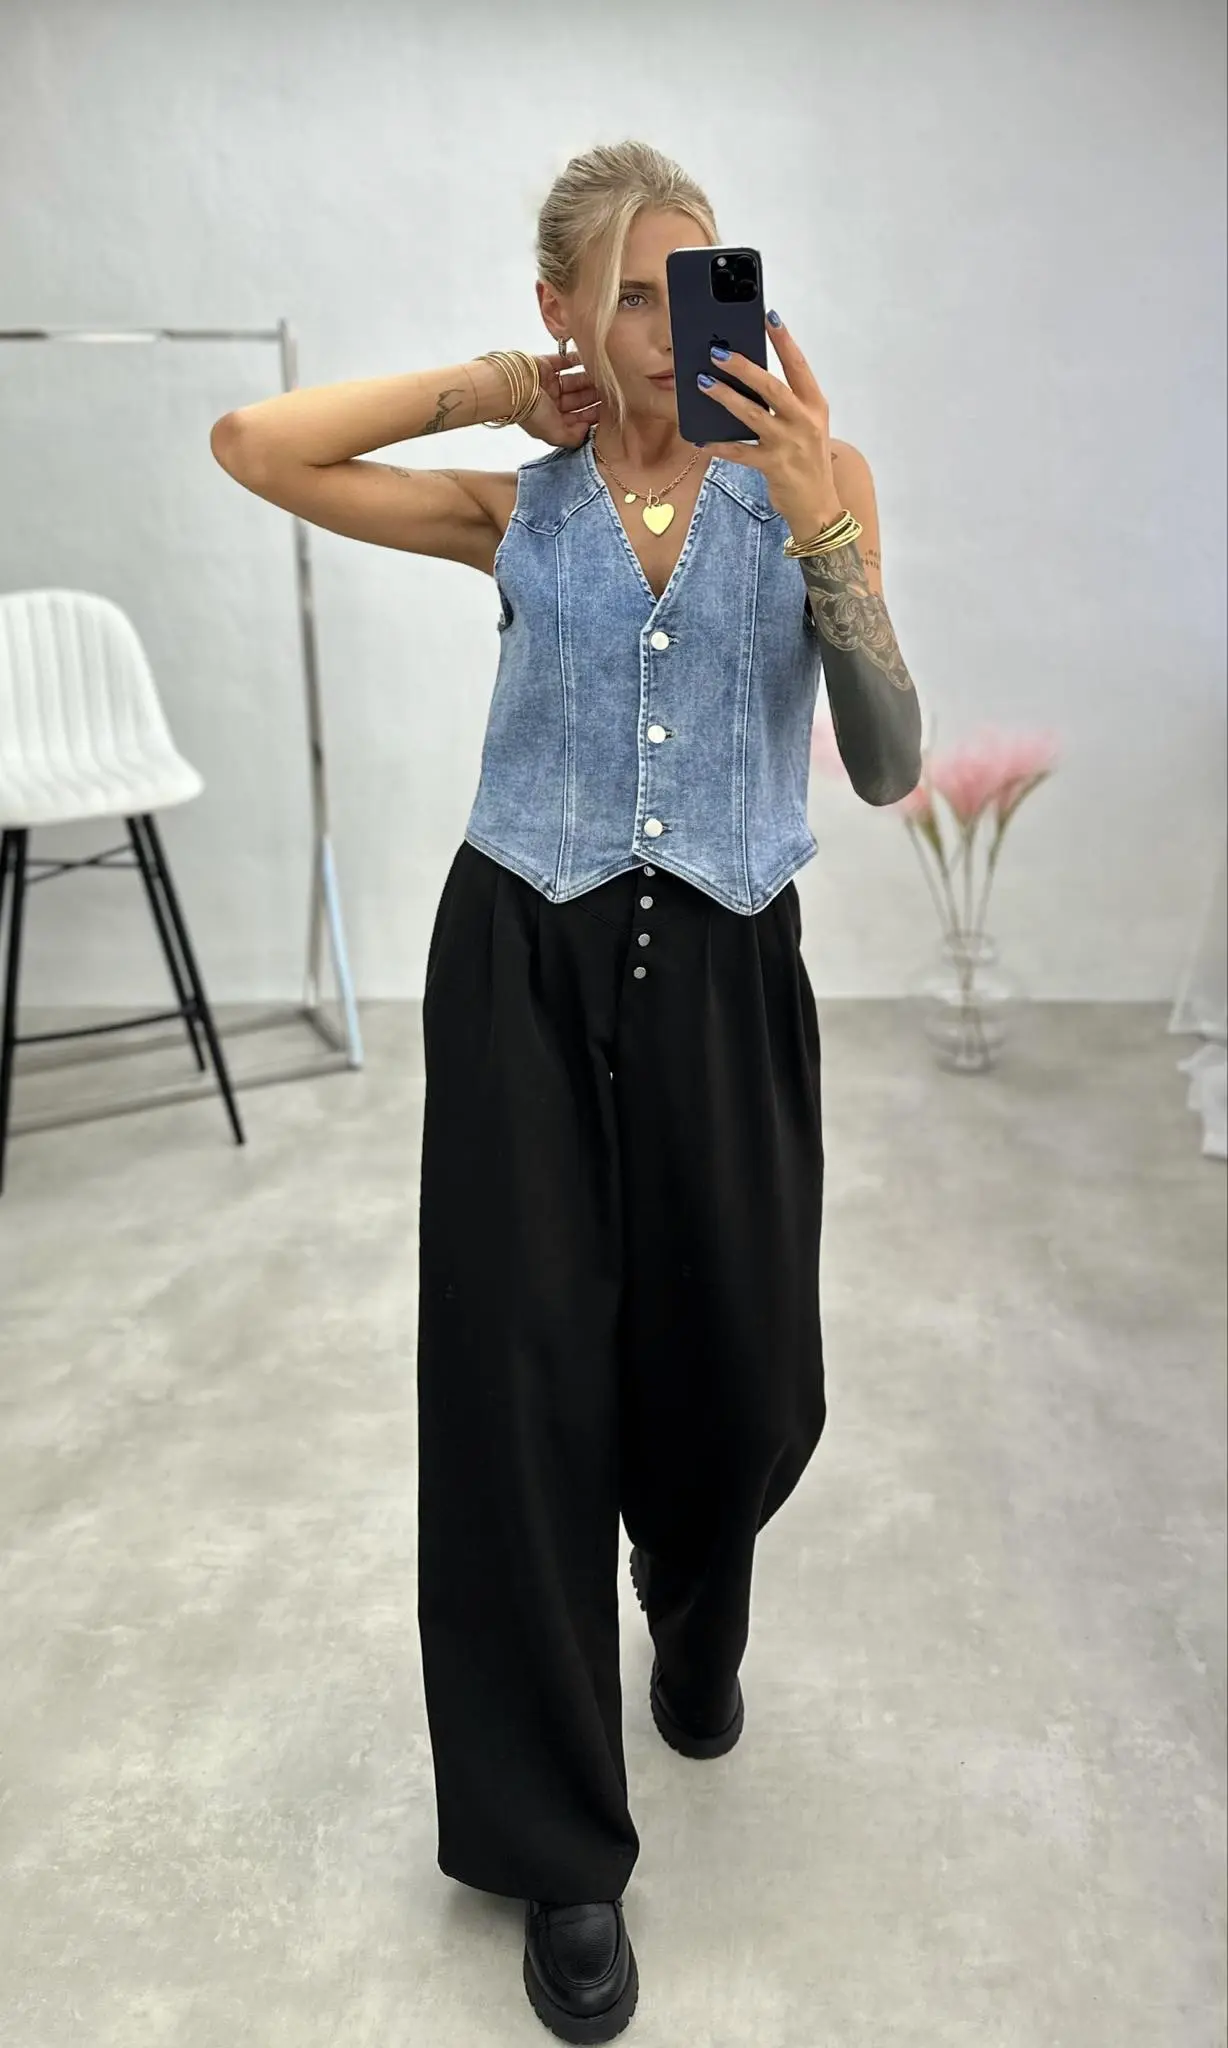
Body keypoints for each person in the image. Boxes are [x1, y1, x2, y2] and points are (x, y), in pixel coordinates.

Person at [211, 137, 922, 2045]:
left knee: (749, 1379)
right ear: (564, 312)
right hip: (520, 962)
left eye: (703, 284)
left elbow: (883, 764)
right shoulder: (515, 510)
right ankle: (558, 1850)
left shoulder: (816, 484)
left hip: (731, 964)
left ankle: (692, 1594)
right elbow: (255, 445)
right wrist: (484, 391)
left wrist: (826, 530)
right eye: (635, 291)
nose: (679, 325)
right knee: (517, 1396)